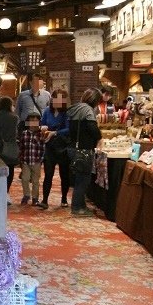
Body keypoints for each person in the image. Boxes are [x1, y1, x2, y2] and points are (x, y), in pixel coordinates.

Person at [67, 88, 103, 216]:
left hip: (73, 148)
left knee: (79, 179)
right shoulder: (88, 110)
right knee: (83, 180)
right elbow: (92, 127)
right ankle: (77, 208)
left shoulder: (75, 108)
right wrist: (100, 138)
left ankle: (81, 206)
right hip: (83, 149)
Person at [39, 89, 70, 209]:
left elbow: (69, 129)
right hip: (50, 146)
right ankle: (45, 200)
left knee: (64, 174)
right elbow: (42, 123)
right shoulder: (47, 111)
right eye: (55, 98)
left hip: (63, 146)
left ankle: (64, 199)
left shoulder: (67, 113)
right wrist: (43, 128)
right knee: (48, 174)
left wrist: (55, 132)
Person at [18, 111, 45, 205]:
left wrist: (41, 158)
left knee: (35, 180)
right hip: (26, 160)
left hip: (36, 160)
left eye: (36, 121)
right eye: (31, 121)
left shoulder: (41, 134)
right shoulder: (24, 133)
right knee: (25, 178)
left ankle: (35, 197)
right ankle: (26, 195)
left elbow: (43, 147)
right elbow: (21, 146)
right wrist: (20, 158)